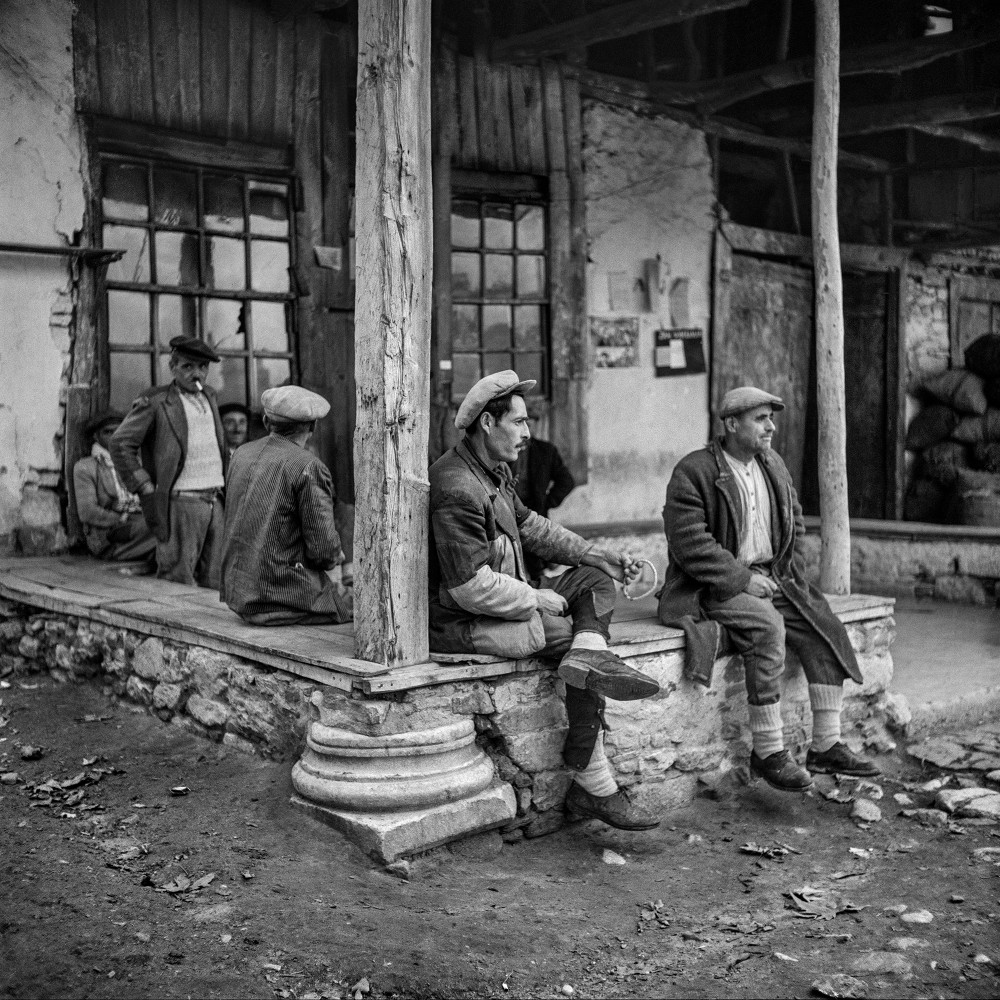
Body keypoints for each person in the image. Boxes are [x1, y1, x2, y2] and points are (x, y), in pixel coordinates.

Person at [429, 370, 661, 831]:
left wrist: (602, 556)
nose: (528, 432)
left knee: (593, 584)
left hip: (506, 603)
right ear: (488, 424)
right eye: (518, 421)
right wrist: (536, 596)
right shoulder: (456, 486)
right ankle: (594, 783)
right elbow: (467, 587)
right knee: (566, 633)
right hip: (461, 622)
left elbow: (534, 527)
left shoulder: (493, 472)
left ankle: (590, 654)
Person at [658, 386, 880, 792]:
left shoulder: (772, 463)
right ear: (730, 424)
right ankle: (767, 752)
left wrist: (782, 571)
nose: (771, 427)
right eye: (761, 419)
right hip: (711, 585)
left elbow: (792, 515)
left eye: (770, 418)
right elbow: (690, 543)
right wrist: (743, 579)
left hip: (772, 575)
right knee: (767, 626)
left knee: (822, 624)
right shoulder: (694, 471)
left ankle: (827, 743)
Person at [220, 385, 352, 626]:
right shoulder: (308, 466)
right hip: (280, 597)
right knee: (363, 605)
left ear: (266, 422)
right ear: (312, 427)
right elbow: (324, 551)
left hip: (238, 594)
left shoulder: (241, 454)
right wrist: (336, 556)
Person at [110, 336, 226, 588]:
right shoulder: (156, 401)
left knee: (215, 582)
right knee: (176, 581)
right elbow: (120, 443)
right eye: (187, 366)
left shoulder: (210, 397)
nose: (196, 373)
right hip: (180, 503)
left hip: (215, 500)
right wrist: (144, 486)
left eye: (202, 367)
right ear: (172, 368)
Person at [73, 409, 156, 562]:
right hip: (110, 533)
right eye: (108, 432)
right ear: (96, 436)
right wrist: (123, 518)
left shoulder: (137, 462)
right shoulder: (86, 467)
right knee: (159, 528)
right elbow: (87, 512)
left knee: (173, 523)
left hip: (140, 523)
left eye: (119, 431)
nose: (114, 436)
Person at [509, 404, 577, 582]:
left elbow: (566, 480)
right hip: (506, 508)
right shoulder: (504, 449)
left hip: (533, 510)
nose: (526, 430)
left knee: (536, 562)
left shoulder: (545, 451)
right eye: (520, 424)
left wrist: (547, 501)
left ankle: (540, 589)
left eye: (530, 425)